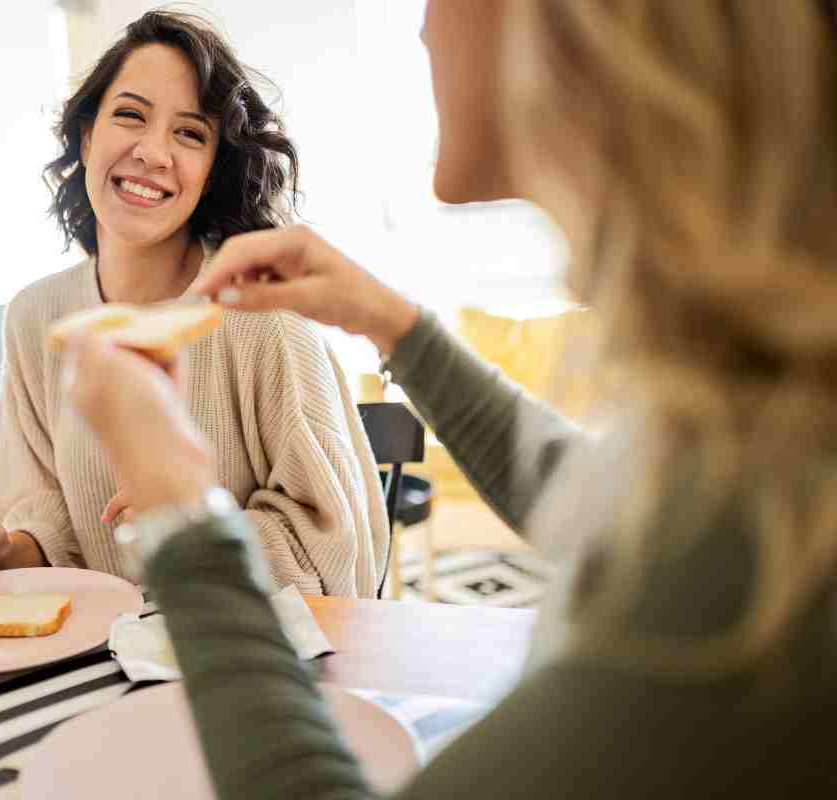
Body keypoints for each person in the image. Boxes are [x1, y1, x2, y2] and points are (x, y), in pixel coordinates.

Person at [64, 0, 837, 797]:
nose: (427, 25)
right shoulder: (755, 430)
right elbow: (605, 506)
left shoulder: (765, 550)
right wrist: (395, 326)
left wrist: (184, 517)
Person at [0, 11, 389, 597]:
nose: (153, 153)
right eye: (130, 115)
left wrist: (198, 525)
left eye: (190, 134)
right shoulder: (35, 317)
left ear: (212, 170)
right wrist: (1, 549)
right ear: (87, 137)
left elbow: (339, 553)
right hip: (98, 663)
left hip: (244, 661)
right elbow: (51, 524)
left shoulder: (266, 321)